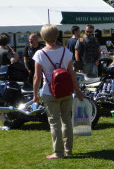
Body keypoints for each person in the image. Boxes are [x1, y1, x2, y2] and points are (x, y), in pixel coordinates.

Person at [32, 24, 83, 159]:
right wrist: (77, 90)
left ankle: (58, 153)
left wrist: (35, 94)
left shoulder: (40, 54)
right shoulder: (66, 52)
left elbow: (37, 77)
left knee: (54, 122)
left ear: (43, 37)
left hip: (50, 92)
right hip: (67, 91)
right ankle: (68, 150)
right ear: (56, 35)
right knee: (66, 120)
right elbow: (72, 73)